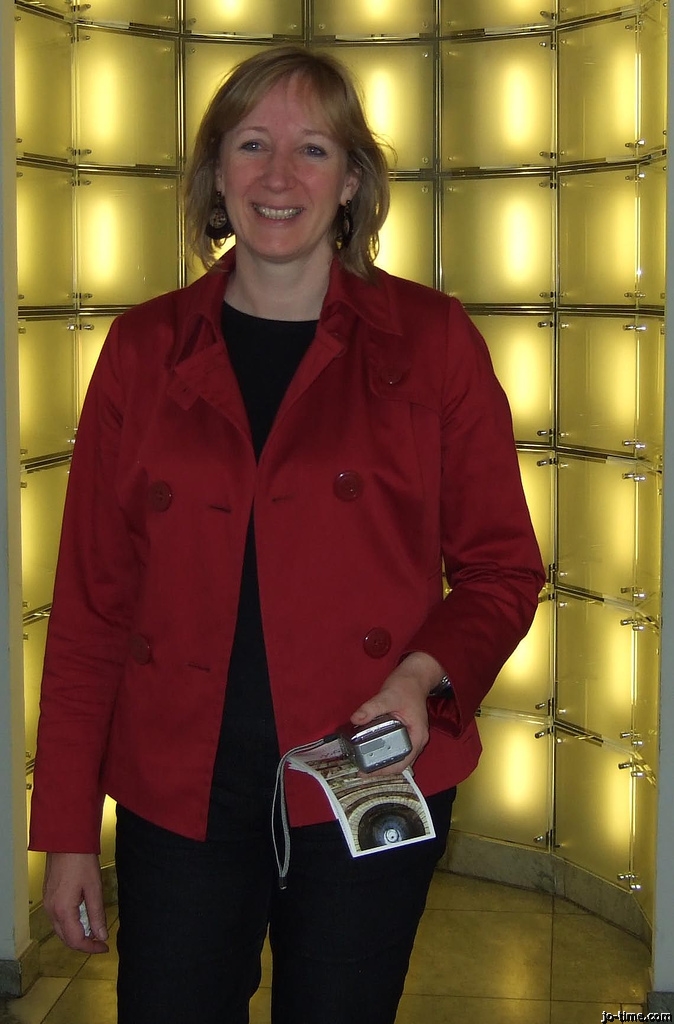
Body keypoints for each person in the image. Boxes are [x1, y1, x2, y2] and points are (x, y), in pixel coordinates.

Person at [29, 45, 545, 1024]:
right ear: (216, 173)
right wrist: (64, 831)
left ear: (350, 181)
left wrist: (421, 677)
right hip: (177, 789)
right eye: (251, 145)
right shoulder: (142, 350)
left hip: (369, 768)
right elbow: (92, 606)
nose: (278, 177)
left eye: (311, 149)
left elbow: (500, 569)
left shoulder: (432, 343)